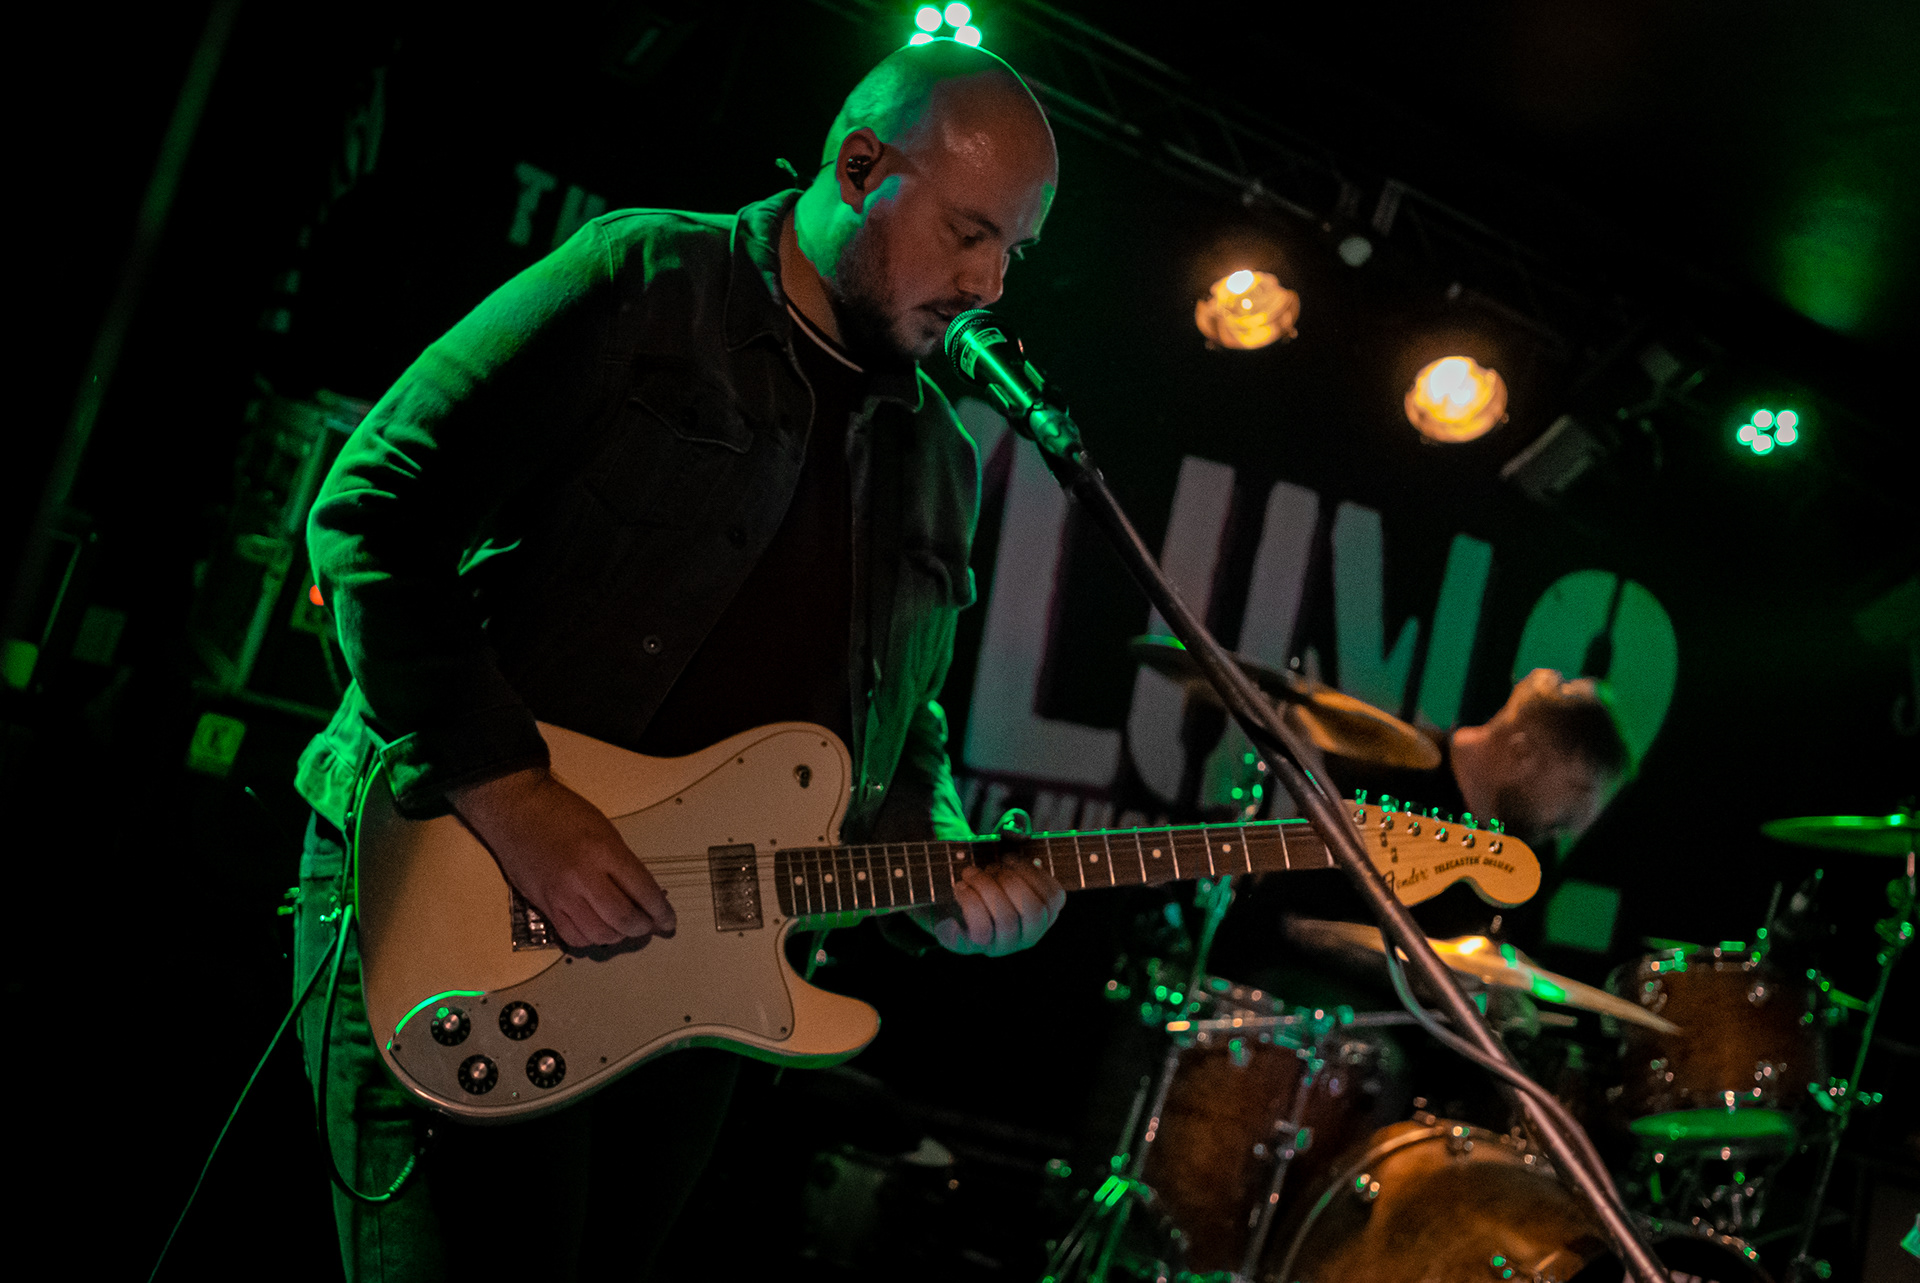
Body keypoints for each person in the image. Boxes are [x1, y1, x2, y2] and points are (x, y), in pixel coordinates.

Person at [290, 39, 1066, 1281]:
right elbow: (373, 517)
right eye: (969, 234)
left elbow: (898, 722)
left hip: (701, 978)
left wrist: (944, 857)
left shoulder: (939, 459)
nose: (988, 284)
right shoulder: (649, 279)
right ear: (859, 166)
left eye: (1013, 252)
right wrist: (513, 790)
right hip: (469, 895)